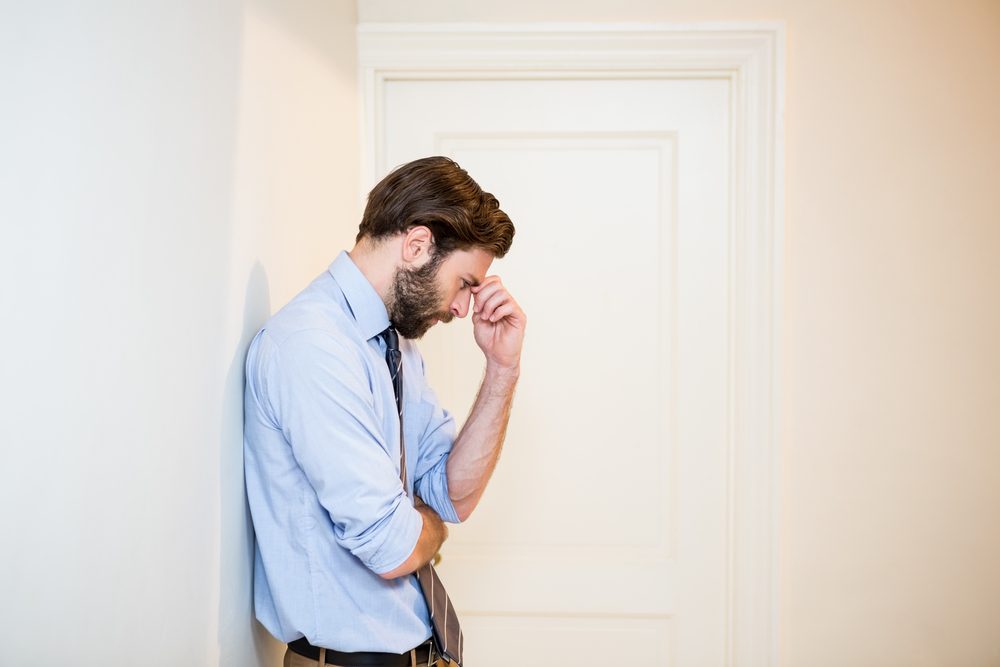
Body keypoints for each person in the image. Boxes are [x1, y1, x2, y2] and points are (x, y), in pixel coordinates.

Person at [243, 156, 525, 667]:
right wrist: (430, 529)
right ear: (417, 246)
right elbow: (393, 548)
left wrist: (502, 369)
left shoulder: (394, 346)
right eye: (465, 283)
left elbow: (451, 495)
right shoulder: (312, 347)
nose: (463, 309)